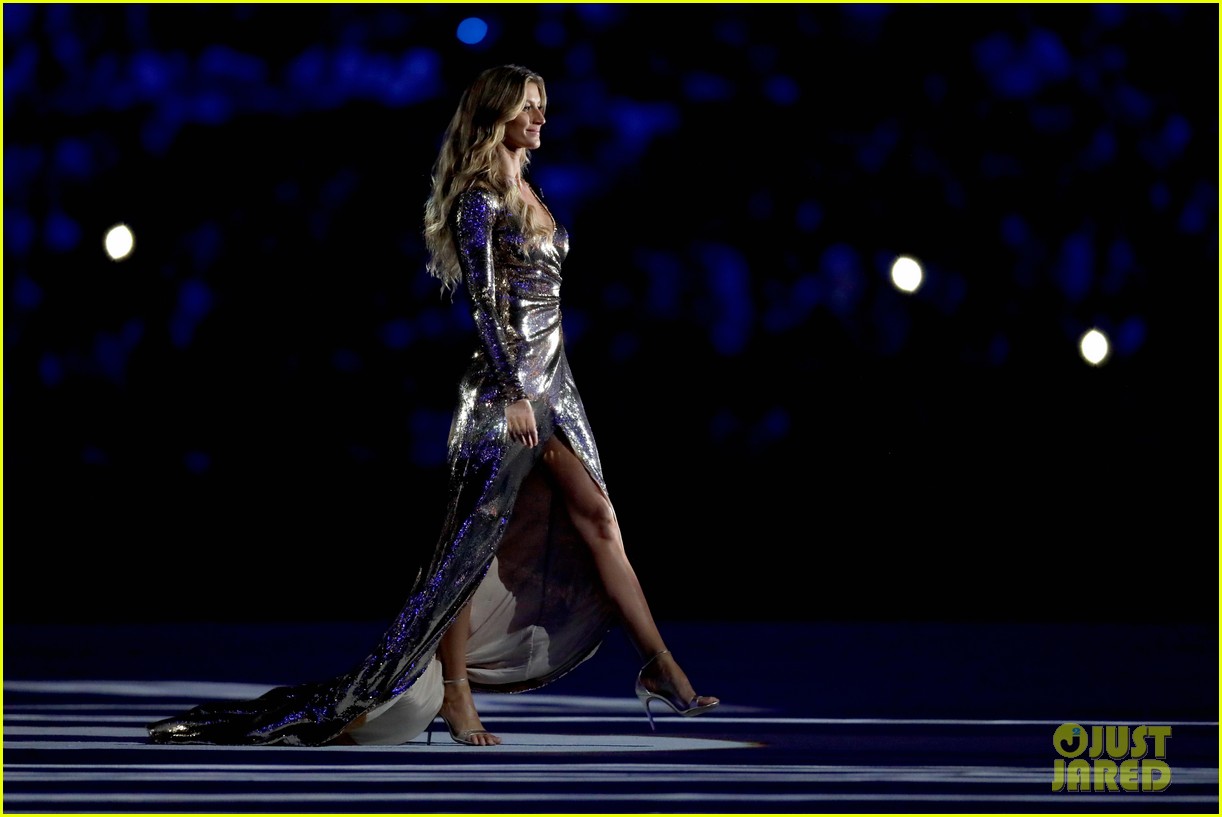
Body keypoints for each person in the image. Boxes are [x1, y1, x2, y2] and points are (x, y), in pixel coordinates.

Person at [146, 63, 717, 748]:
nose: (541, 118)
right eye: (528, 107)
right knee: (468, 550)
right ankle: (455, 694)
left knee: (599, 517)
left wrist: (537, 385)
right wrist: (510, 390)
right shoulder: (480, 197)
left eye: (543, 106)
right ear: (497, 113)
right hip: (504, 392)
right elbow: (482, 303)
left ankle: (660, 664)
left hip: (556, 382)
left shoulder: (529, 187)